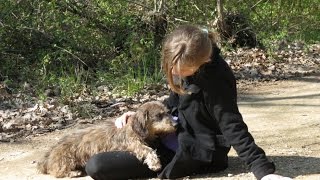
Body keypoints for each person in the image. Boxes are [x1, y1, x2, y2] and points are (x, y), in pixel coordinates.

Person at [85, 25, 292, 180]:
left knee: (98, 166)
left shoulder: (216, 80)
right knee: (99, 152)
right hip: (170, 136)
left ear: (202, 64)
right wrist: (138, 116)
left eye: (181, 72)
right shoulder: (188, 52)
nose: (175, 75)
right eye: (172, 70)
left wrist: (263, 171)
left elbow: (232, 125)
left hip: (194, 150)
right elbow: (173, 102)